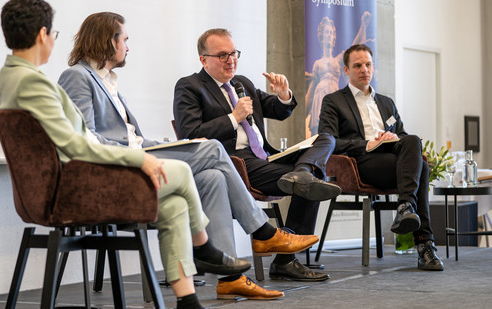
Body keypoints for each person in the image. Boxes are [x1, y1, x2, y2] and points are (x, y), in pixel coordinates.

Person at [0, 2, 257, 308]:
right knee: (185, 171)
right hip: (74, 189)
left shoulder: (10, 78)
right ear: (42, 34)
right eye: (54, 33)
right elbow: (77, 143)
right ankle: (206, 246)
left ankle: (187, 300)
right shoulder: (34, 82)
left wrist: (151, 149)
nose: (54, 39)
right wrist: (139, 158)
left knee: (173, 204)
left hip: (73, 182)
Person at [57, 12, 320, 301]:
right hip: (120, 169)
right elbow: (86, 138)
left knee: (212, 177)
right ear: (108, 40)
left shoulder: (108, 81)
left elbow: (133, 136)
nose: (128, 47)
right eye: (125, 39)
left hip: (141, 153)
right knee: (213, 148)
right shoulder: (78, 76)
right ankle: (263, 231)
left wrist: (159, 145)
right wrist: (143, 153)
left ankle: (230, 279)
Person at [173, 28, 341, 284]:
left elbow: (277, 109)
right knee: (312, 184)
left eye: (233, 53)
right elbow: (190, 133)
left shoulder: (242, 83)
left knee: (325, 139)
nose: (231, 60)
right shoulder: (190, 86)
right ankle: (287, 260)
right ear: (203, 59)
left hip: (265, 158)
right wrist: (233, 118)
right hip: (236, 164)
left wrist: (283, 95)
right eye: (222, 55)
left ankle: (303, 171)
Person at [318, 44, 444, 271]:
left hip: (392, 156)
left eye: (368, 64)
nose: (364, 69)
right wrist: (369, 143)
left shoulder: (386, 102)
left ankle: (405, 206)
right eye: (357, 65)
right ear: (346, 70)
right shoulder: (333, 101)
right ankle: (425, 246)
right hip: (361, 162)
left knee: (413, 140)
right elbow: (329, 140)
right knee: (422, 169)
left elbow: (404, 137)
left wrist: (392, 137)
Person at [304, 12, 371, 137]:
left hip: (333, 93)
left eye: (331, 33)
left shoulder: (338, 59)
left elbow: (354, 48)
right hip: (319, 97)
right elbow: (312, 90)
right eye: (326, 32)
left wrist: (363, 25)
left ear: (334, 37)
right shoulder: (317, 63)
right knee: (318, 137)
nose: (329, 35)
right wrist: (304, 110)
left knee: (335, 131)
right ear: (321, 37)